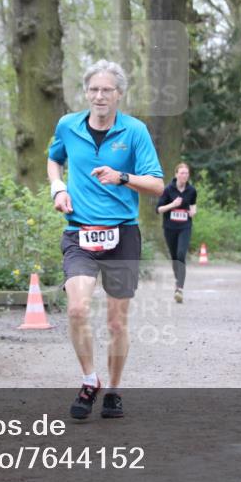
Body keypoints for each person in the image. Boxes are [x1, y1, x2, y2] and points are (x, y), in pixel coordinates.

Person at [47, 59, 164, 420]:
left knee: (116, 322)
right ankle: (89, 380)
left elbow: (158, 185)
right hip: (79, 232)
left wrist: (122, 177)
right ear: (86, 93)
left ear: (119, 94)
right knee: (78, 308)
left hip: (122, 235)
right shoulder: (68, 125)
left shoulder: (135, 132)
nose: (99, 96)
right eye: (94, 89)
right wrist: (58, 188)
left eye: (107, 90)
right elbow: (54, 160)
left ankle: (113, 389)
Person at [157, 162, 197, 303]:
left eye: (186, 173)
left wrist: (193, 212)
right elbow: (159, 209)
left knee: (181, 254)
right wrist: (173, 205)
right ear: (176, 174)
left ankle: (179, 288)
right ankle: (177, 281)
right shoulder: (168, 190)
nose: (184, 175)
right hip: (170, 227)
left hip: (185, 226)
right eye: (182, 173)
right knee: (174, 257)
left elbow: (193, 205)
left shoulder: (192, 190)